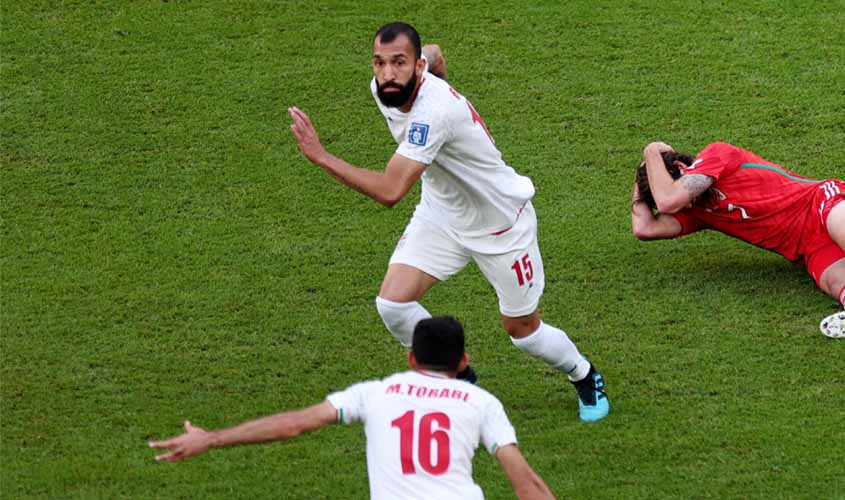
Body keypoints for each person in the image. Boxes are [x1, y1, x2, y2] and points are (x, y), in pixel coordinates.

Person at [288, 21, 608, 421]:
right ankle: (458, 377)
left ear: (416, 66)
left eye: (399, 63)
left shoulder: (433, 112)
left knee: (523, 330)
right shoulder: (387, 89)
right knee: (392, 303)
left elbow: (390, 191)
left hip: (501, 225)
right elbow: (436, 51)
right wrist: (434, 65)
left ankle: (584, 374)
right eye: (380, 62)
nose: (388, 74)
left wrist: (321, 156)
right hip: (441, 213)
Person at [150, 317, 556, 500]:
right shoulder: (480, 402)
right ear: (463, 362)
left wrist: (211, 438)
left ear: (411, 359)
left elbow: (294, 424)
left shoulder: (375, 393)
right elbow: (527, 486)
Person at [631, 141, 845, 338]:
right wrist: (642, 175)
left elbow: (668, 201)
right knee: (835, 281)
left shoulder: (716, 155)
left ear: (681, 167)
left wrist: (651, 151)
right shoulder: (696, 213)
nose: (683, 207)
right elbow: (644, 228)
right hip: (809, 247)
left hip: (822, 202)